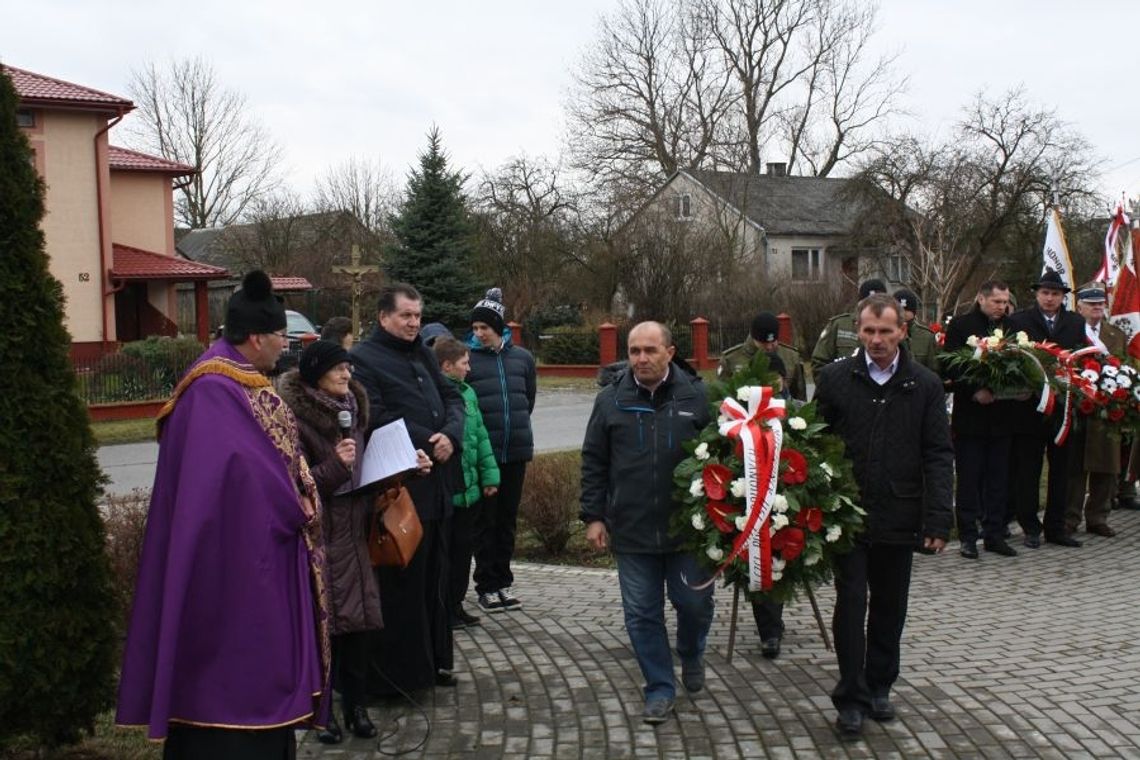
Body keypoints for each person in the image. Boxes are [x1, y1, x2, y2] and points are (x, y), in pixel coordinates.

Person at [116, 271, 329, 757]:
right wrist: (296, 498)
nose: (285, 346)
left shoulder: (238, 379)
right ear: (256, 337)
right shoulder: (213, 389)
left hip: (247, 555)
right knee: (230, 678)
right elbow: (240, 478)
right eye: (280, 336)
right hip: (227, 565)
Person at [813, 294, 953, 740]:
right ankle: (850, 698)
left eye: (885, 332)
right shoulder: (835, 378)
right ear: (858, 329)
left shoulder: (925, 384)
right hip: (848, 514)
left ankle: (879, 686)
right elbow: (814, 443)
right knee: (851, 605)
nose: (876, 340)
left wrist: (938, 518)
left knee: (890, 607)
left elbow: (938, 453)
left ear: (902, 332)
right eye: (868, 331)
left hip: (900, 509)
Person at [280, 340, 427, 743]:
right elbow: (294, 484)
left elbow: (368, 472)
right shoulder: (294, 419)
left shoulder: (355, 412)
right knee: (325, 629)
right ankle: (322, 713)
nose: (347, 375)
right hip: (320, 538)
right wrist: (335, 465)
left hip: (357, 534)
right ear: (315, 375)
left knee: (360, 627)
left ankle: (356, 707)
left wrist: (407, 467)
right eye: (337, 369)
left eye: (349, 368)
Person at [580, 322, 714, 725]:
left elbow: (723, 458)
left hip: (688, 529)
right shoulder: (610, 401)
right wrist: (594, 516)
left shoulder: (699, 398)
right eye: (634, 351)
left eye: (650, 350)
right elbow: (594, 461)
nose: (641, 359)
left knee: (694, 603)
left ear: (670, 353)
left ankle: (691, 651)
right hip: (633, 528)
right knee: (641, 614)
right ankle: (659, 687)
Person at [350, 283, 465, 693]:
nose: (414, 323)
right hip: (400, 491)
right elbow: (375, 415)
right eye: (406, 316)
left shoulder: (422, 352)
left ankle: (434, 663)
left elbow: (454, 398)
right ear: (384, 318)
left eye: (417, 316)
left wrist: (451, 433)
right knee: (403, 586)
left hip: (438, 485)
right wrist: (432, 440)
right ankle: (398, 679)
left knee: (437, 579)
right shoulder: (362, 359)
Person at [718, 311, 804, 658]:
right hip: (745, 459)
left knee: (782, 534)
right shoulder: (732, 359)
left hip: (786, 459)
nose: (769, 345)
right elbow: (721, 404)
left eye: (772, 340)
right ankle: (768, 624)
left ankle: (774, 616)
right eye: (762, 340)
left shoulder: (792, 358)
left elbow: (800, 405)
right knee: (755, 538)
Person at [466, 288, 537, 613]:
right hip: (487, 454)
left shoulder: (522, 358)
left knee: (507, 521)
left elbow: (528, 400)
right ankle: (486, 585)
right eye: (476, 328)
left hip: (516, 451)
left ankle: (503, 582)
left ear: (498, 327)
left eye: (485, 328)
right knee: (486, 522)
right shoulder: (471, 363)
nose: (479, 334)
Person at [1006, 269, 1086, 548]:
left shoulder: (1076, 322)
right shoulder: (1019, 321)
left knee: (1062, 470)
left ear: (1063, 297)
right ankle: (1030, 527)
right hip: (1030, 408)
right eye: (1045, 293)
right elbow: (1012, 359)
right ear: (1037, 294)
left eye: (1055, 294)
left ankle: (1057, 527)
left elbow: (1080, 357)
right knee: (1028, 469)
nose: (1050, 298)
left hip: (1063, 409)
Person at [941, 281, 1018, 558]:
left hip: (1002, 417)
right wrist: (974, 390)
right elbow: (949, 363)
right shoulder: (962, 326)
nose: (1001, 306)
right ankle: (968, 537)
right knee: (970, 479)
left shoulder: (1011, 327)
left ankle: (994, 534)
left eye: (1005, 301)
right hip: (971, 418)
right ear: (981, 298)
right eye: (996, 301)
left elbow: (1022, 363)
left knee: (998, 479)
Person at [433, 336, 501, 629]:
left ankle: (456, 604)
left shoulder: (469, 393)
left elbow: (481, 436)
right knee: (443, 555)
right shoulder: (434, 395)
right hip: (446, 491)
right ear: (447, 365)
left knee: (463, 552)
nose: (469, 369)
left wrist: (489, 476)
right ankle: (441, 608)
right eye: (464, 363)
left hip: (470, 489)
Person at [1064, 282, 1124, 538]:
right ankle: (1069, 518)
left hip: (1108, 410)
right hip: (1077, 407)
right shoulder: (1071, 330)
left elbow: (1124, 367)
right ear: (1080, 307)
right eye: (1091, 304)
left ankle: (1098, 516)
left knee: (1107, 466)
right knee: (1075, 468)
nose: (1097, 308)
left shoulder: (1115, 334)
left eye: (1101, 304)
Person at [811, 278, 888, 373]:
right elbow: (819, 363)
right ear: (859, 303)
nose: (872, 308)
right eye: (867, 303)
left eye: (877, 304)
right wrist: (835, 386)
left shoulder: (893, 330)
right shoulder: (839, 325)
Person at [892, 289, 940, 372]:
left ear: (914, 312)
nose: (903, 313)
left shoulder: (926, 336)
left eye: (907, 310)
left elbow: (933, 368)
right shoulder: (885, 333)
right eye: (899, 310)